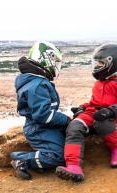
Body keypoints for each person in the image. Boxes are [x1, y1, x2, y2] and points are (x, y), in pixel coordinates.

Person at [55, 43, 117, 182]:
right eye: (97, 63)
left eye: (100, 63)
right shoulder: (99, 83)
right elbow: (94, 103)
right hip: (95, 113)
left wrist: (110, 111)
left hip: (111, 118)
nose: (97, 66)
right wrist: (83, 108)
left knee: (101, 122)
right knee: (74, 126)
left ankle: (116, 149)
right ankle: (73, 166)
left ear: (111, 62)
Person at [10, 40, 71, 180]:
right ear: (45, 60)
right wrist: (65, 120)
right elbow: (42, 114)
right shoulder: (37, 84)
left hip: (43, 126)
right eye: (55, 61)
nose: (56, 66)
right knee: (59, 156)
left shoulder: (36, 81)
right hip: (39, 127)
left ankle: (39, 161)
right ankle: (22, 159)